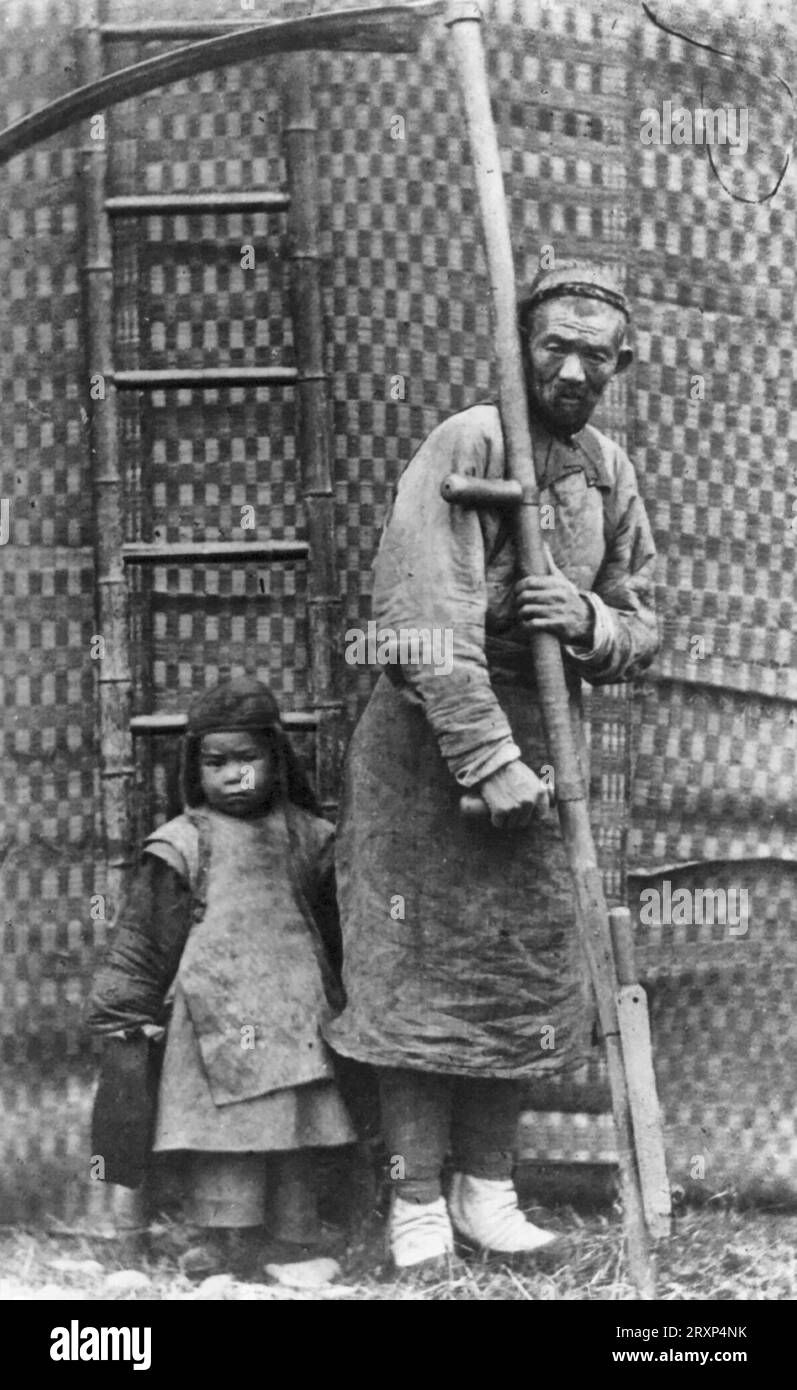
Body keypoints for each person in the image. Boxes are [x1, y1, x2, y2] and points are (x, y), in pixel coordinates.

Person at [324, 260, 659, 1270]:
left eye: (592, 353)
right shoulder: (469, 439)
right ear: (519, 344)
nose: (570, 366)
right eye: (552, 343)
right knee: (415, 971)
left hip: (549, 737)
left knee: (516, 968)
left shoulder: (606, 469)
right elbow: (418, 617)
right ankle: (415, 1199)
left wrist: (587, 616)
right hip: (432, 744)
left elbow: (645, 621)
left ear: (617, 364)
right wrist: (484, 755)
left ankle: (486, 1190)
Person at [88, 676, 356, 1275]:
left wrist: (351, 1001)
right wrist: (125, 1013)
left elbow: (340, 928)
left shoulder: (309, 837)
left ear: (277, 759)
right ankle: (223, 1245)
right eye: (217, 761)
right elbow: (143, 936)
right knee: (225, 1140)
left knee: (293, 1131)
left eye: (249, 758)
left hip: (295, 1018)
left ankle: (294, 1242)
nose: (235, 775)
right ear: (195, 766)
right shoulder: (182, 843)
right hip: (209, 1017)